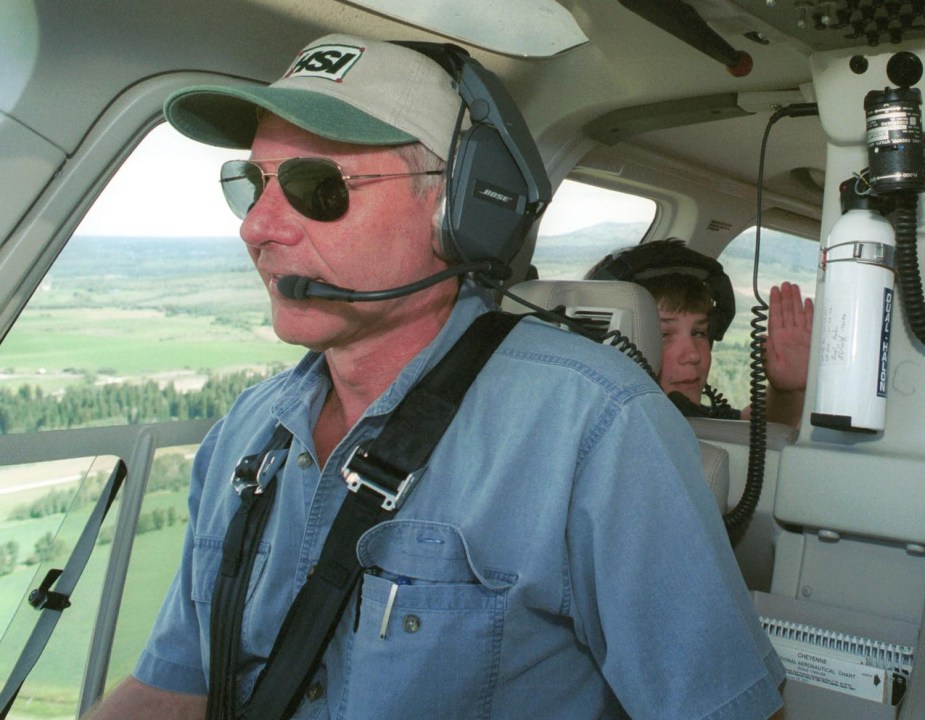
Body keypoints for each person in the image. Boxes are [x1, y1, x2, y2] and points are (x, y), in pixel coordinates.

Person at [83, 35, 785, 720]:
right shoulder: (247, 431)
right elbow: (177, 686)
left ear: (457, 208)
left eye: (317, 186)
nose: (258, 227)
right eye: (251, 184)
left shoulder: (595, 426)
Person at [588, 239, 814, 427]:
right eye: (663, 335)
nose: (693, 355)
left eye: (698, 332)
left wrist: (788, 392)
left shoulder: (687, 417)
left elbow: (744, 431)